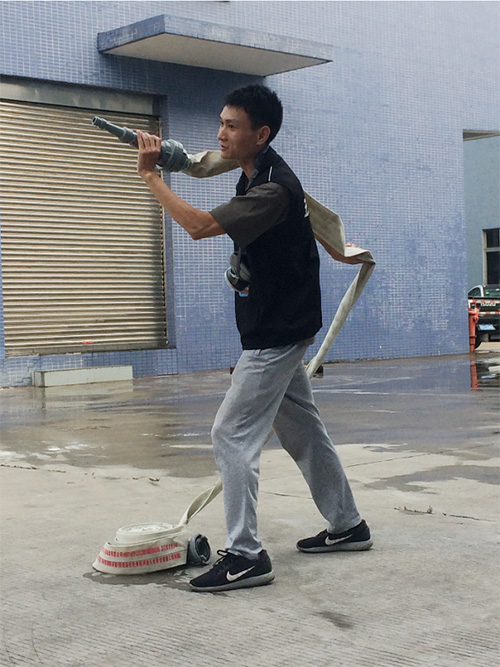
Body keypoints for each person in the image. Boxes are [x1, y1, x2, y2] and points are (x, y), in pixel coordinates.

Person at [136, 84, 372, 593]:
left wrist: (151, 176)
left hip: (276, 332)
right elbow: (201, 162)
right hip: (281, 324)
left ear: (260, 134)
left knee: (230, 434)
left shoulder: (273, 190)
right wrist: (170, 157)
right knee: (303, 431)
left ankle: (245, 555)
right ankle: (348, 524)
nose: (221, 133)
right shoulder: (254, 170)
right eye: (220, 123)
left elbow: (199, 226)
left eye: (232, 126)